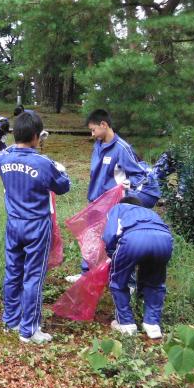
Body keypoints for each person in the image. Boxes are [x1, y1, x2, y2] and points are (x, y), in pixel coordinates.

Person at [0, 111, 70, 344]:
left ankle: (11, 320)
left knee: (13, 271)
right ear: (37, 136)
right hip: (37, 225)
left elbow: (7, 151)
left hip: (14, 223)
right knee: (34, 276)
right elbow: (63, 186)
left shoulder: (3, 158)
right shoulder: (43, 163)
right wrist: (60, 168)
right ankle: (29, 330)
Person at [66, 109, 147, 283]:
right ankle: (87, 274)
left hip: (113, 206)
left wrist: (128, 186)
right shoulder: (98, 145)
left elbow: (139, 175)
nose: (92, 133)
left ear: (104, 125)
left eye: (93, 129)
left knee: (115, 241)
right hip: (95, 201)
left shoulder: (122, 149)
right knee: (91, 238)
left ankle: (125, 280)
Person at [102, 196, 173, 339]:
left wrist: (114, 256)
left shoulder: (118, 208)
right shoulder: (150, 213)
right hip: (164, 240)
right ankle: (152, 325)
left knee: (118, 282)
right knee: (155, 283)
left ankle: (126, 324)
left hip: (134, 239)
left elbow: (109, 235)